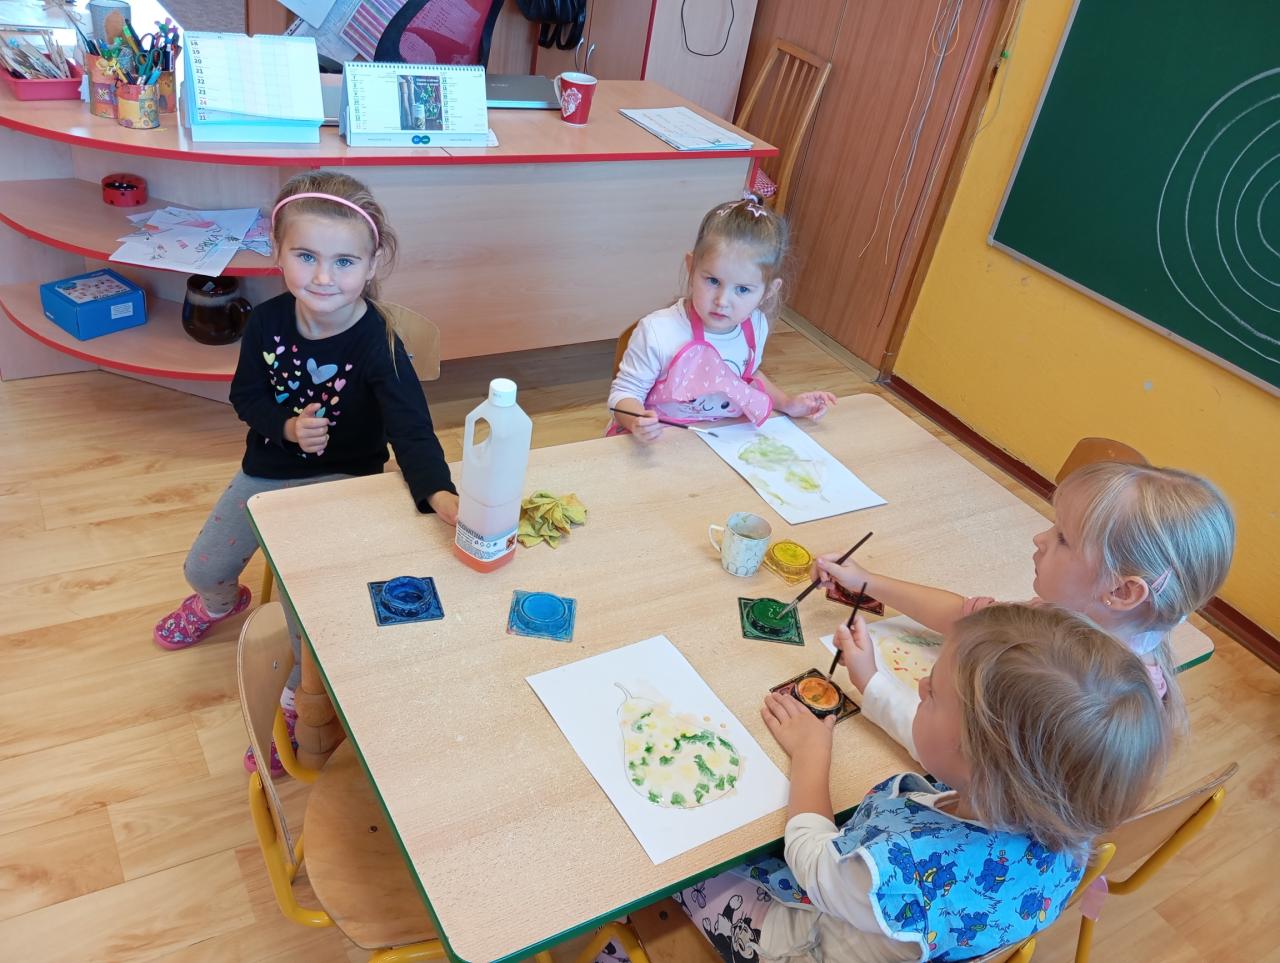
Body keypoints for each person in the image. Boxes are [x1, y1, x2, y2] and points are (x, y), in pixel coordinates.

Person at [153, 171, 458, 773]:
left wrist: (439, 494)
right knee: (202, 568)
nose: (323, 277)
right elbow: (245, 396)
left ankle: (299, 700)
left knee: (306, 618)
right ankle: (220, 605)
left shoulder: (381, 344)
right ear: (278, 252)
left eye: (343, 261)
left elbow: (413, 432)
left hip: (344, 482)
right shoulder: (265, 323)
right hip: (267, 470)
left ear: (372, 265)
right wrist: (287, 428)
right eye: (306, 256)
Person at [669, 604, 1171, 962]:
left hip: (804, 942)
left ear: (977, 760)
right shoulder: (1059, 818)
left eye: (933, 695)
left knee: (689, 867)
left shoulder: (895, 870)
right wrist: (871, 680)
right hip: (899, 924)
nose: (923, 685)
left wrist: (810, 755)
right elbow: (945, 750)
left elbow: (812, 860)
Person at [818, 462, 1234, 743]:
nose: (1039, 538)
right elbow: (967, 617)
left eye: (1063, 538)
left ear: (1122, 592)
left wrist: (870, 681)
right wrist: (868, 581)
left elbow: (953, 754)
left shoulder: (1069, 691)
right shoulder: (1074, 619)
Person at [608, 195, 837, 441]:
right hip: (658, 441)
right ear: (691, 267)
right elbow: (623, 395)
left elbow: (747, 377)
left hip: (721, 438)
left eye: (743, 289)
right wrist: (637, 421)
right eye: (713, 281)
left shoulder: (755, 325)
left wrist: (788, 403)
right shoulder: (657, 332)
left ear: (768, 291)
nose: (722, 301)